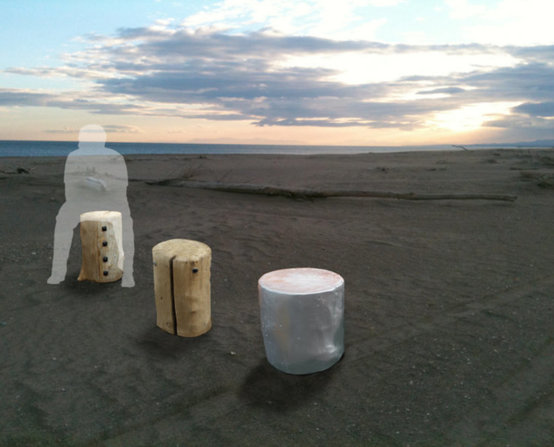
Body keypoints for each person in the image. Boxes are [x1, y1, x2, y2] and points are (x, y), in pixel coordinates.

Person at [47, 124, 135, 287]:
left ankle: (127, 272)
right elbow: (69, 188)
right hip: (80, 201)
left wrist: (100, 185)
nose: (80, 142)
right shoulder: (74, 157)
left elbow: (121, 186)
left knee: (126, 224)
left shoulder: (114, 157)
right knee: (63, 221)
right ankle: (58, 272)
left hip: (111, 202)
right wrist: (87, 186)